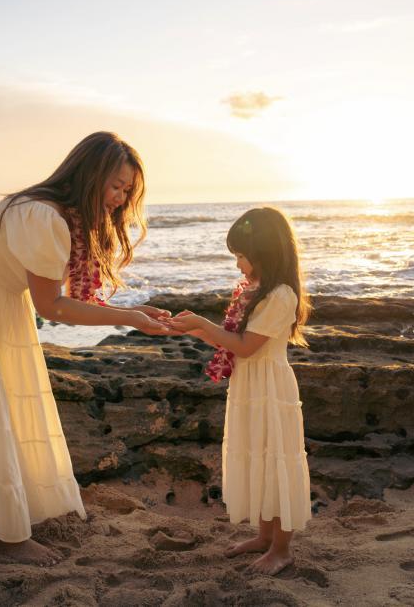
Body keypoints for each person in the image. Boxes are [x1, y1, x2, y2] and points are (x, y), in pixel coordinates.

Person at [0, 132, 173, 566]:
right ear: (89, 175)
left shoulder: (59, 215)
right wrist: (130, 318)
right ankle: (9, 536)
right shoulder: (44, 216)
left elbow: (64, 299)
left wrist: (132, 312)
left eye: (127, 191)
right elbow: (52, 307)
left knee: (1, 402)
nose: (120, 199)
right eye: (116, 186)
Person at [168, 207, 312, 575]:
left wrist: (203, 323)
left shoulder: (281, 295)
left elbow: (246, 346)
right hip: (249, 386)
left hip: (270, 387)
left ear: (265, 252)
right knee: (258, 457)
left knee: (276, 460)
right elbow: (232, 341)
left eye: (241, 256)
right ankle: (264, 537)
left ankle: (282, 549)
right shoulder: (254, 290)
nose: (238, 265)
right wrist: (189, 328)